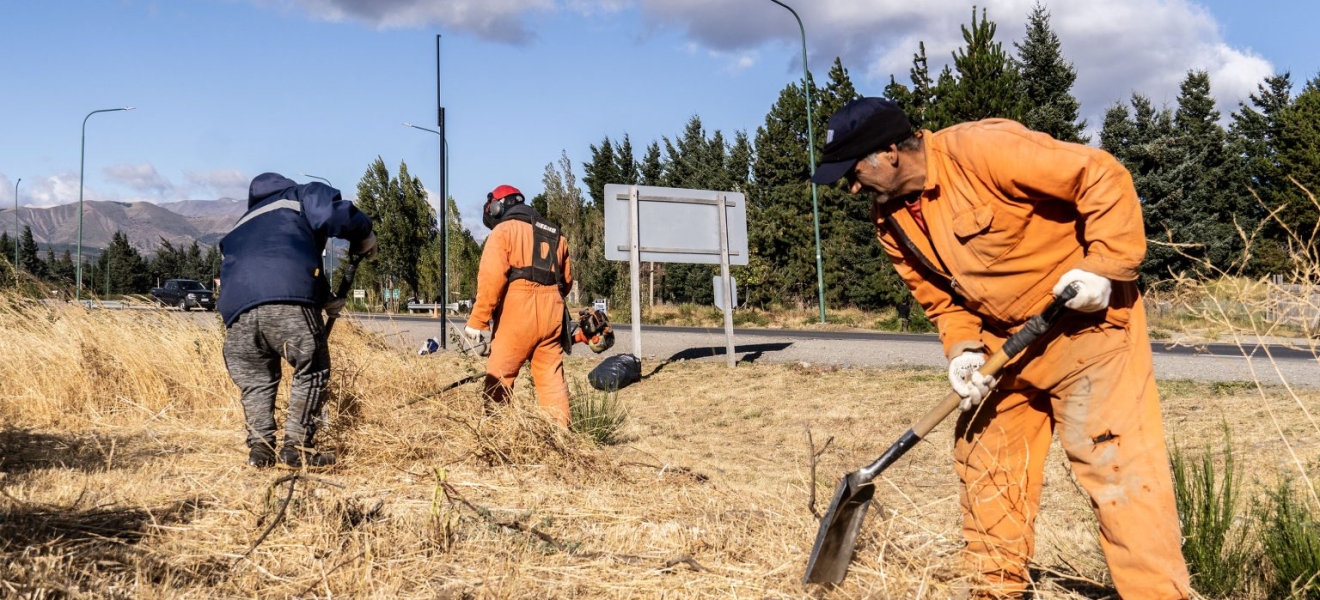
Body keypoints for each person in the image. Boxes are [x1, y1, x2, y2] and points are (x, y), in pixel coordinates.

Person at [812, 98, 1191, 599]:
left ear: (890, 152)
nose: (854, 187)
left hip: (1087, 332)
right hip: (1005, 350)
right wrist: (964, 350)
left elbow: (1101, 175)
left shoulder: (982, 149)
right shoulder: (890, 223)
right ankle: (996, 591)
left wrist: (1105, 263)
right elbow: (938, 297)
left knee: (1118, 473)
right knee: (985, 466)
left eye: (855, 171)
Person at [218, 173, 376, 469]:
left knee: (256, 381)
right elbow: (330, 214)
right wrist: (364, 233)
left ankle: (261, 451)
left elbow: (271, 263)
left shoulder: (245, 221)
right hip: (288, 302)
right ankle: (297, 449)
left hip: (236, 310)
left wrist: (324, 298)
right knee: (312, 369)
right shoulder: (301, 195)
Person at [463, 185, 573, 426]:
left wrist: (477, 321)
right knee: (551, 380)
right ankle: (561, 436)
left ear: (498, 207)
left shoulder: (503, 231)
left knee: (499, 377)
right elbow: (566, 283)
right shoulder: (556, 235)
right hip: (552, 313)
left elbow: (491, 280)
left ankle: (498, 434)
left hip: (517, 313)